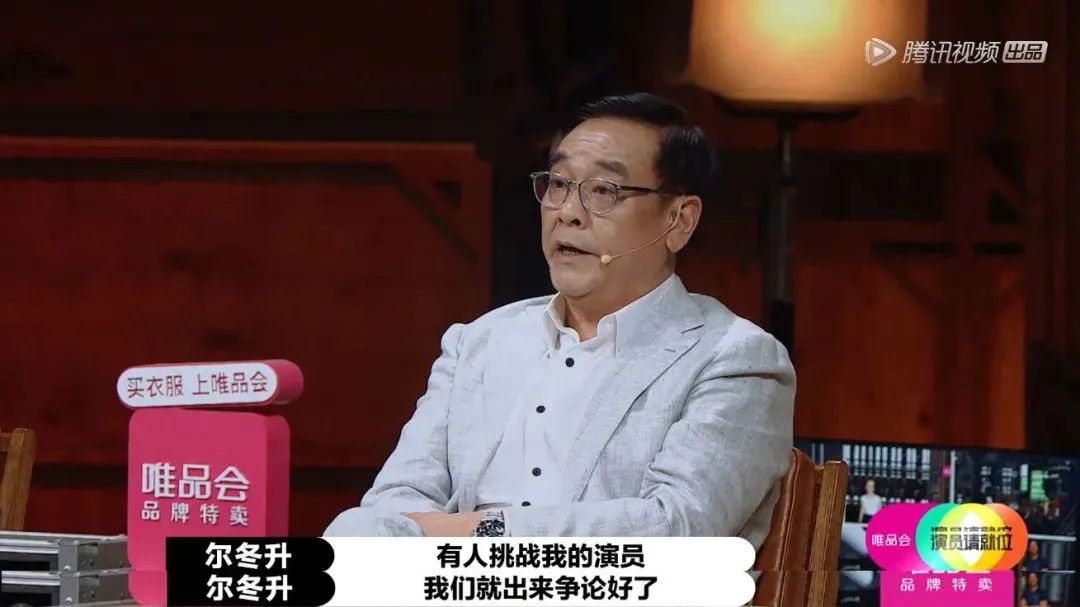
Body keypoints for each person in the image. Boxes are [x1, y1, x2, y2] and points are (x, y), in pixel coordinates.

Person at [323, 92, 795, 541]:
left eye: (604, 190)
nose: (568, 212)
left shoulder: (734, 358)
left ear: (679, 220)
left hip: (609, 587)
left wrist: (483, 534)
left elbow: (675, 529)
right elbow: (395, 500)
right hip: (448, 583)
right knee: (353, 533)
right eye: (559, 184)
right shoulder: (479, 342)